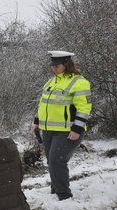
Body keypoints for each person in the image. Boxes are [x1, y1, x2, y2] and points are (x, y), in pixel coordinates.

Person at [33, 51, 92, 200]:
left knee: (56, 161)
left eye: (57, 66)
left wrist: (77, 129)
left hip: (67, 131)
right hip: (48, 130)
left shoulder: (79, 82)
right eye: (52, 65)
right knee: (51, 161)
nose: (54, 68)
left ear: (66, 64)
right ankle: (56, 191)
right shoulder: (52, 81)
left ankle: (64, 195)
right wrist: (36, 121)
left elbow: (84, 108)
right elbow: (43, 103)